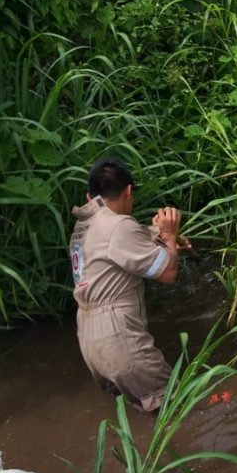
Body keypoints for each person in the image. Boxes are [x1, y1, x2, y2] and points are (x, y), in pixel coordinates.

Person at [68, 158, 190, 411]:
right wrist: (167, 234)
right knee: (177, 408)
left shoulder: (83, 227)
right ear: (128, 191)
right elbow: (168, 274)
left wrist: (159, 237)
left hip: (90, 341)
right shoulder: (119, 225)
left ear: (89, 196)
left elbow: (119, 246)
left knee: (137, 412)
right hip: (117, 336)